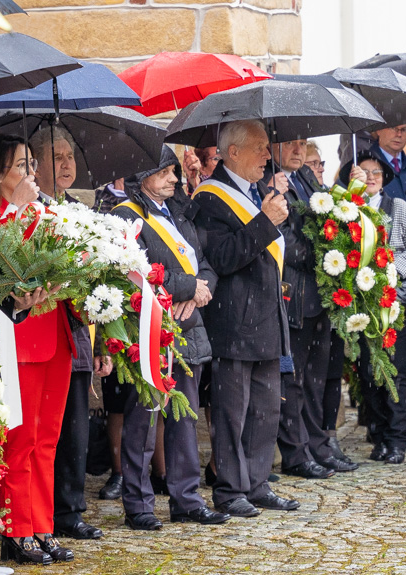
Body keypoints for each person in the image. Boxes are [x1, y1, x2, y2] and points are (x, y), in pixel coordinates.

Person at [113, 145, 230, 529]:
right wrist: (188, 288)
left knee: (184, 418)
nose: (175, 179)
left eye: (174, 172)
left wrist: (201, 291)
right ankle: (139, 504)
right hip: (149, 330)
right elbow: (138, 267)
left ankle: (187, 498)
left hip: (189, 329)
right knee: (143, 419)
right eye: (165, 171)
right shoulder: (125, 217)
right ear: (142, 174)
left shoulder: (177, 214)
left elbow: (206, 266)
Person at [192, 119, 299, 517]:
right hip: (233, 322)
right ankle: (230, 489)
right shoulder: (209, 199)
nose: (268, 155)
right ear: (232, 152)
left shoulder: (254, 194)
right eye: (259, 148)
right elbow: (221, 258)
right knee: (232, 413)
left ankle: (257, 484)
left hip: (267, 319)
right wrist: (265, 222)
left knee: (266, 410)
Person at [0, 132, 79, 564]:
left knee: (47, 438)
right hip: (19, 339)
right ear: (0, 174)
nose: (29, 173)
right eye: (20, 165)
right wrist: (20, 208)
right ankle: (16, 528)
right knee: (19, 439)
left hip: (55, 332)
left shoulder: (49, 212)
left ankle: (42, 523)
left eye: (30, 165)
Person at [26, 126, 114, 542]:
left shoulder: (79, 211)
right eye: (56, 156)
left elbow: (98, 284)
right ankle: (49, 515)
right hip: (45, 331)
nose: (66, 164)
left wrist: (105, 338)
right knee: (50, 433)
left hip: (79, 335)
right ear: (35, 164)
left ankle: (71, 508)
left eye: (70, 156)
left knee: (76, 429)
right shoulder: (32, 213)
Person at [265, 138, 357, 478]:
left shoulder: (305, 178)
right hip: (292, 294)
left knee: (316, 380)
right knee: (293, 380)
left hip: (318, 296)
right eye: (289, 143)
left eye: (302, 144)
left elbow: (329, 221)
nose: (298, 150)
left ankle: (318, 446)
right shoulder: (269, 184)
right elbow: (284, 242)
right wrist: (321, 253)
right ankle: (296, 453)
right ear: (272, 147)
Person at [341, 152, 406, 464]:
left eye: (376, 171)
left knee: (395, 369)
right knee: (367, 370)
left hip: (395, 302)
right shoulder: (347, 210)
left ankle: (397, 438)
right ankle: (377, 433)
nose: (371, 176)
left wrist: (389, 268)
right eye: (364, 172)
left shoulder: (401, 208)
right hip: (361, 302)